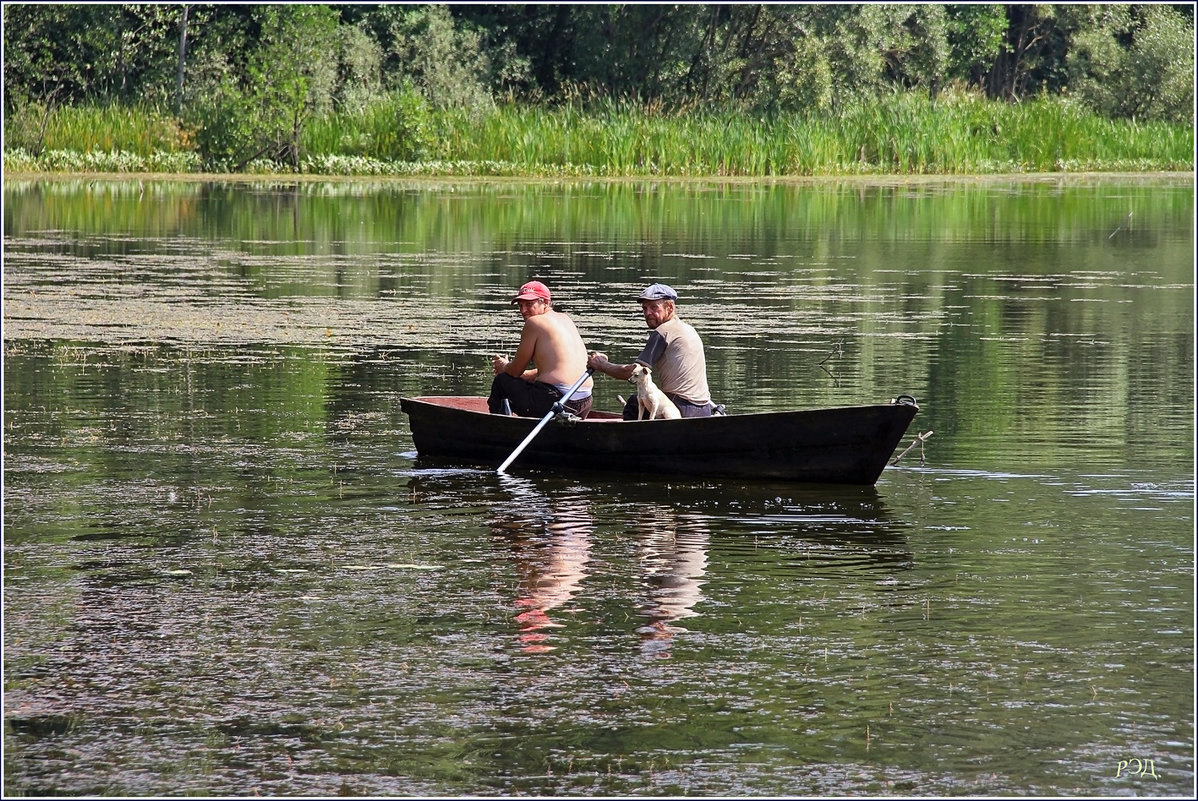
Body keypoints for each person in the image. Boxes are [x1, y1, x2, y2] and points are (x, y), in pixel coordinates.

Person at [587, 283, 722, 419]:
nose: (647, 313)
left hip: (680, 409)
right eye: (645, 308)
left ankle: (627, 438)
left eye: (653, 307)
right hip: (703, 410)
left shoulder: (663, 332)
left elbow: (630, 372)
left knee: (634, 403)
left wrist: (601, 365)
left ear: (669, 307)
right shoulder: (689, 329)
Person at [488, 280, 593, 418]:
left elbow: (514, 371)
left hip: (555, 401)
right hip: (584, 402)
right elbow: (557, 368)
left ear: (545, 302)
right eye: (520, 306)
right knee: (530, 385)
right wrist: (524, 375)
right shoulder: (565, 318)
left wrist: (504, 366)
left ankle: (500, 429)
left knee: (502, 381)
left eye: (529, 304)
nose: (523, 311)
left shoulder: (534, 322)